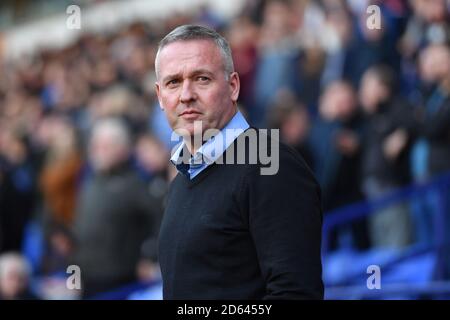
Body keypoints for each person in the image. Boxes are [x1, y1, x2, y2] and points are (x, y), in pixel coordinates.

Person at [155, 24, 323, 299]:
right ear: (160, 96)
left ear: (233, 86)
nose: (186, 95)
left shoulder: (271, 165)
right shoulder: (181, 180)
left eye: (201, 79)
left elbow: (295, 294)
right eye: (174, 82)